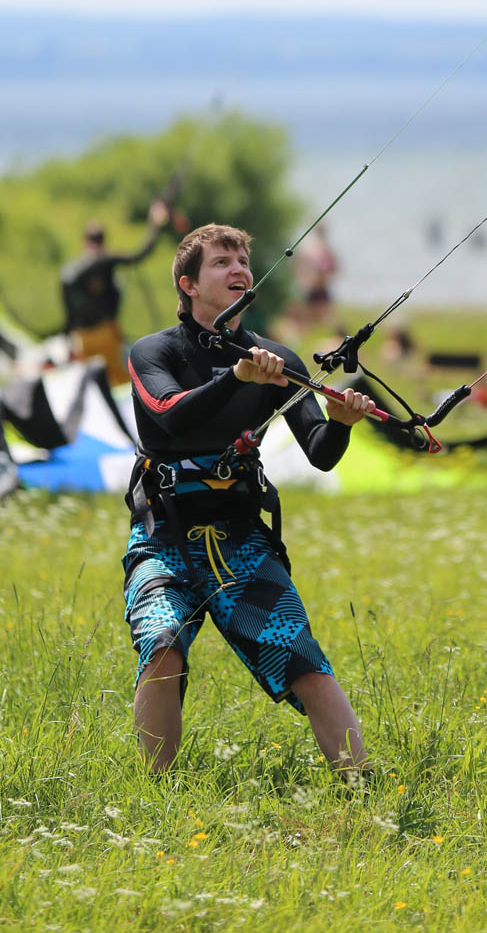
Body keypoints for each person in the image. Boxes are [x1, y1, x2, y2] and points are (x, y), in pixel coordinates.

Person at [122, 223, 375, 775]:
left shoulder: (278, 359)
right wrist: (237, 376)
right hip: (163, 538)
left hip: (241, 541)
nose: (238, 268)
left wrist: (342, 423)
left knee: (304, 660)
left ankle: (363, 787)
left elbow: (321, 452)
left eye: (242, 259)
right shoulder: (153, 351)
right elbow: (168, 413)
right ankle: (152, 793)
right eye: (220, 262)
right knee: (163, 647)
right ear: (188, 284)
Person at [61, 200, 170, 384]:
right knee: (124, 381)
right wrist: (155, 222)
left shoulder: (72, 271)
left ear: (85, 241)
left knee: (90, 385)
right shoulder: (106, 259)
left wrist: (67, 338)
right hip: (106, 334)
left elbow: (68, 308)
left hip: (82, 337)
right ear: (103, 241)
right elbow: (140, 254)